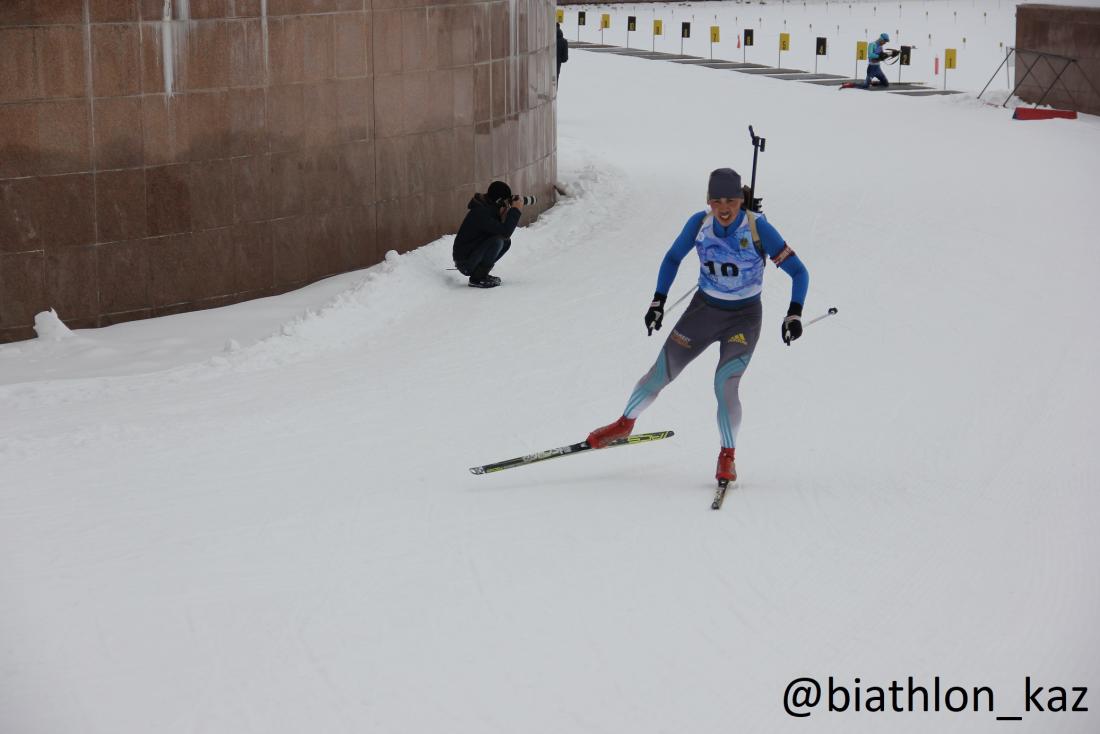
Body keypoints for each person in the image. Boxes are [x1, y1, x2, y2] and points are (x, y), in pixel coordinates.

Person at [585, 168, 809, 483]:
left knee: (724, 383)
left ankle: (727, 455)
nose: (724, 208)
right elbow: (672, 258)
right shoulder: (699, 224)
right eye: (717, 201)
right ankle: (624, 424)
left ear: (740, 199)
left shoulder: (758, 228)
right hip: (703, 312)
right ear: (708, 200)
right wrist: (658, 301)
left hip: (744, 318)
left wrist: (794, 314)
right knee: (659, 374)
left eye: (731, 200)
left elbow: (799, 272)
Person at [453, 180, 524, 288]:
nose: (507, 205)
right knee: (498, 241)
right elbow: (506, 232)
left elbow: (502, 232)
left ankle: (481, 274)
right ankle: (477, 279)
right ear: (499, 201)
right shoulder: (481, 213)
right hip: (465, 262)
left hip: (471, 255)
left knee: (505, 241)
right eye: (506, 202)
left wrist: (505, 214)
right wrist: (515, 210)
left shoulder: (488, 208)